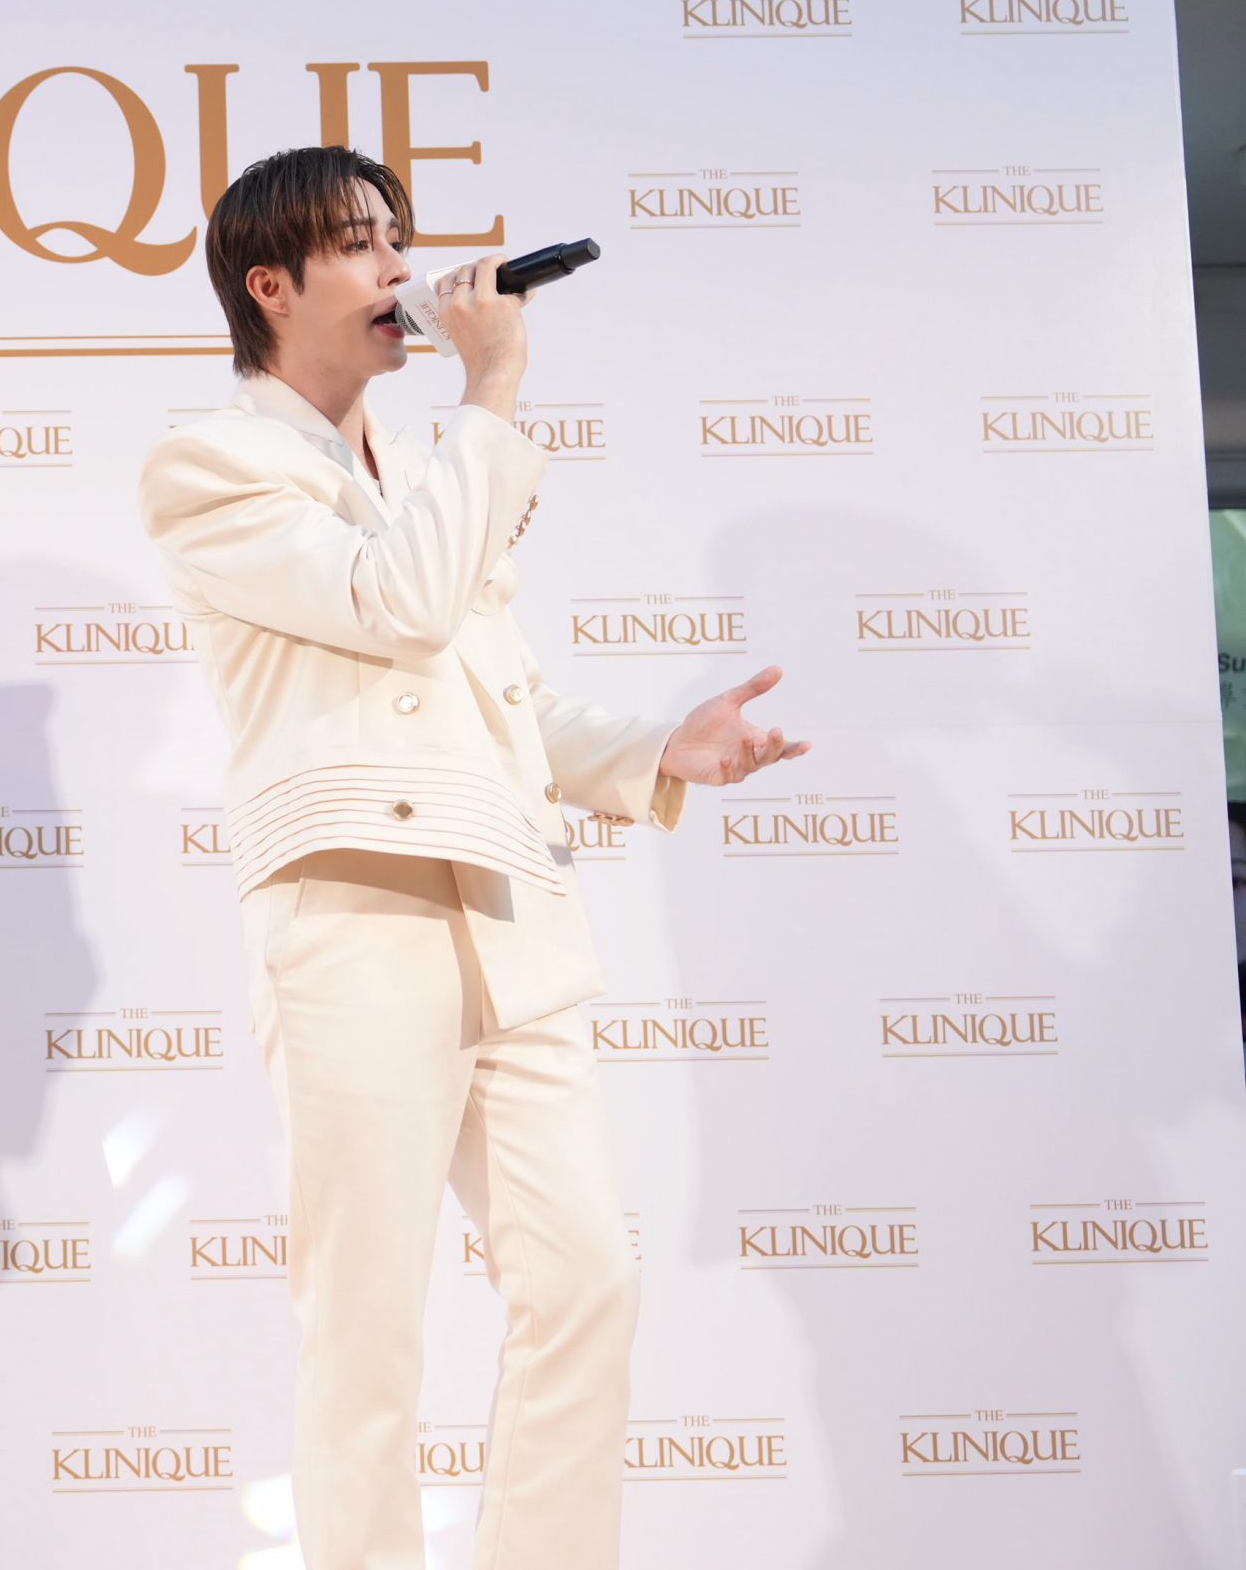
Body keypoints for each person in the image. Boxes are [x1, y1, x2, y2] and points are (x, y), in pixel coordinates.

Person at [136, 146, 806, 1570]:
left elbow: (501, 696)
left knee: (587, 1282)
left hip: (508, 903)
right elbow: (401, 607)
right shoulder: (215, 465)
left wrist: (658, 750)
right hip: (356, 910)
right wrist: (490, 390)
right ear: (270, 285)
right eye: (360, 244)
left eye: (400, 238)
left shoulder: (423, 466)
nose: (402, 269)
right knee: (367, 1322)